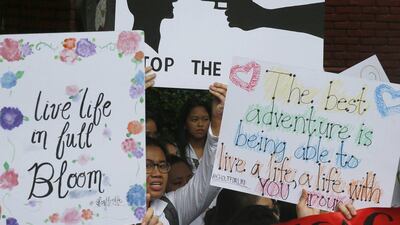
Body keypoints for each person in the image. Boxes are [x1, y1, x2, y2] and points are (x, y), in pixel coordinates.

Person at [146, 81, 227, 225]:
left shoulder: (172, 207)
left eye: (162, 165)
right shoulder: (106, 206)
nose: (157, 173)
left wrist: (217, 122)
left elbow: (207, 181)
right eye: (148, 165)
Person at [176, 98, 212, 172]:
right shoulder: (175, 150)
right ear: (185, 123)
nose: (200, 124)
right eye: (194, 119)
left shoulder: (216, 149)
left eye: (205, 119)